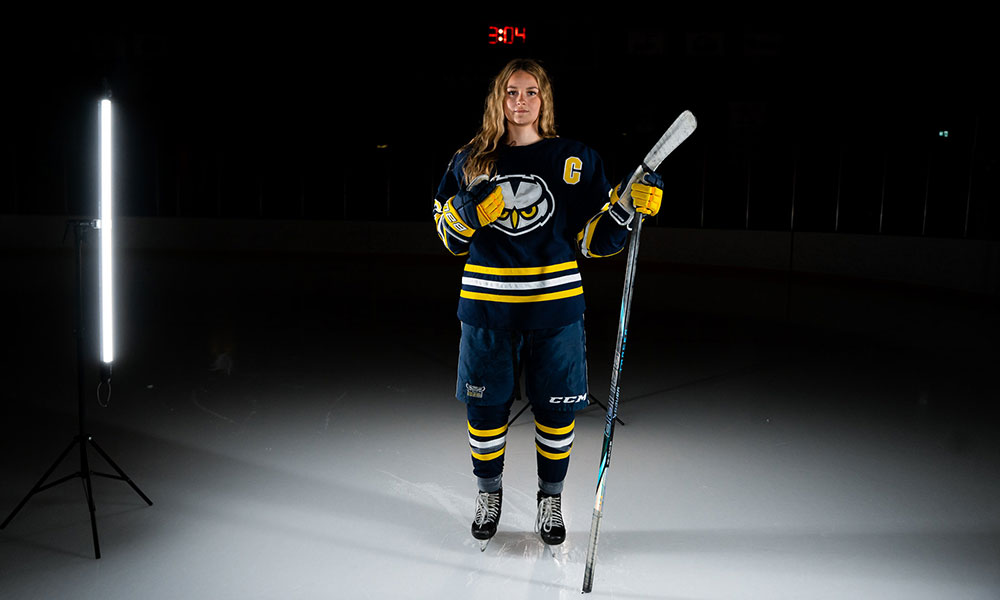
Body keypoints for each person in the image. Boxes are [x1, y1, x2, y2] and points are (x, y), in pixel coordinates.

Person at [432, 58, 663, 547]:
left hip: (555, 309)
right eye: (512, 92)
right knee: (485, 410)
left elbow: (595, 241)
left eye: (531, 92)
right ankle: (489, 492)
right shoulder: (471, 159)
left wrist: (626, 209)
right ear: (499, 98)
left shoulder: (575, 159)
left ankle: (550, 498)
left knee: (556, 412)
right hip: (487, 309)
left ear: (544, 99)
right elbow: (449, 238)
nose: (521, 101)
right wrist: (470, 214)